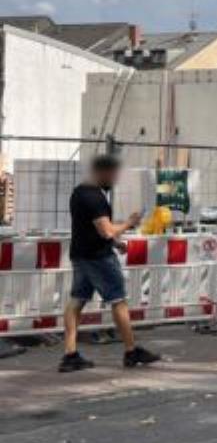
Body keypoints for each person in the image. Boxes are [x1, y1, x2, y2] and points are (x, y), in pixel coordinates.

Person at [58, 154, 161, 373]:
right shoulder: (95, 197)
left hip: (81, 254)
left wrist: (115, 243)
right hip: (98, 258)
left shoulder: (79, 192)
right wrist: (129, 223)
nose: (115, 180)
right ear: (103, 173)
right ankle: (131, 351)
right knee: (118, 300)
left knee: (77, 301)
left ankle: (70, 354)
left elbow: (88, 228)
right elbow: (105, 230)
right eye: (113, 176)